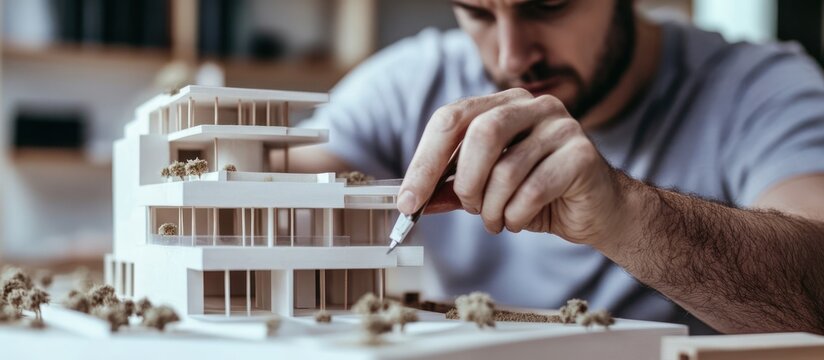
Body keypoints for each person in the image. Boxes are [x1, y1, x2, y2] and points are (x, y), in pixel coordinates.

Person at [293, 0, 824, 334]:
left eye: (547, 6)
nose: (511, 57)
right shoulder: (410, 82)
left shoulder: (762, 89)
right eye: (477, 13)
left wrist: (628, 216)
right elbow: (285, 183)